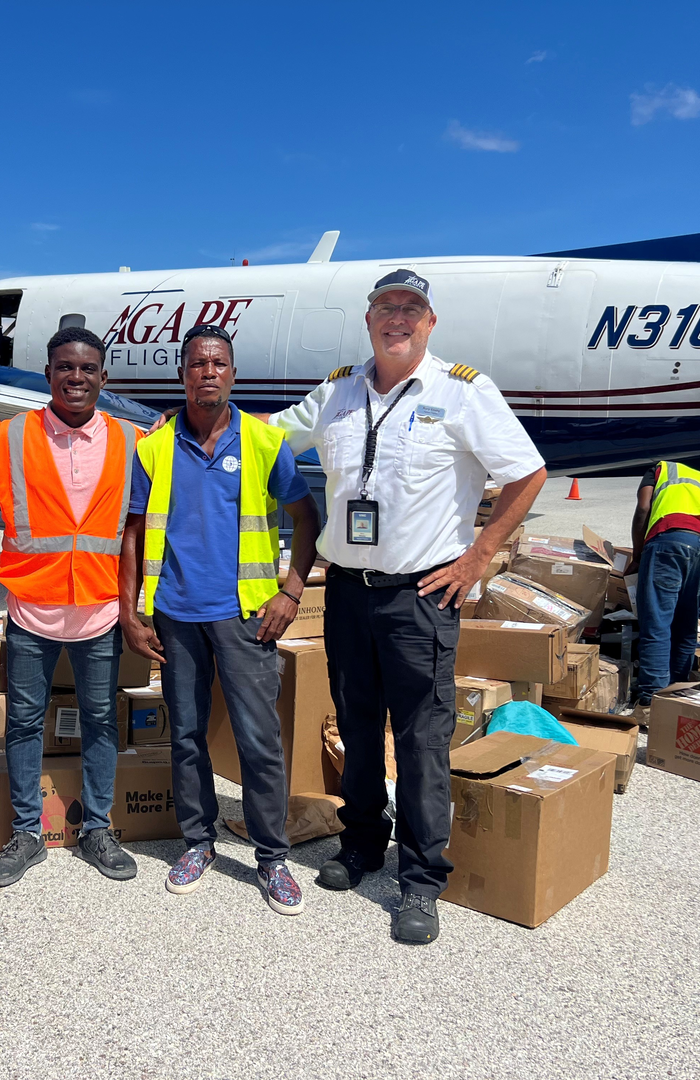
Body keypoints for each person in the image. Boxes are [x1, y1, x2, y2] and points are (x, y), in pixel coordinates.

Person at [268, 269, 546, 945]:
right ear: (368, 321)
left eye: (412, 309)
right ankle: (363, 841)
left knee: (421, 739)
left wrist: (477, 558)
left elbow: (527, 472)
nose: (398, 318)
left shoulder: (463, 391)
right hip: (348, 593)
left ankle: (421, 877)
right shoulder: (337, 391)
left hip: (420, 596)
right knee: (357, 727)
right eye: (386, 307)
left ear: (430, 322)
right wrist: (197, 421)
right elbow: (266, 436)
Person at [119, 322, 321, 916]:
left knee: (259, 740)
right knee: (185, 736)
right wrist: (132, 613)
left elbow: (306, 517)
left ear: (232, 374)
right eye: (197, 364)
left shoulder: (264, 443)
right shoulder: (153, 448)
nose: (208, 372)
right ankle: (198, 842)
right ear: (182, 374)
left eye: (218, 364)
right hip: (175, 616)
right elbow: (134, 533)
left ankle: (272, 857)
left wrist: (291, 592)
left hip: (245, 617)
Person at [0, 327, 143, 887]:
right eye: (65, 367)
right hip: (31, 608)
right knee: (24, 722)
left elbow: (141, 525)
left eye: (87, 368)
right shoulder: (9, 436)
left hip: (99, 609)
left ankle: (97, 828)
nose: (76, 377)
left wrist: (137, 604)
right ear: (48, 373)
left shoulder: (131, 439)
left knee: (101, 721)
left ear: (104, 377)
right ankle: (28, 832)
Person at [627, 461, 700, 718]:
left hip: (670, 539)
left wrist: (638, 556)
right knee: (686, 625)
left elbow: (643, 508)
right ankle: (677, 694)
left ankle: (652, 702)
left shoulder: (661, 469)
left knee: (657, 623)